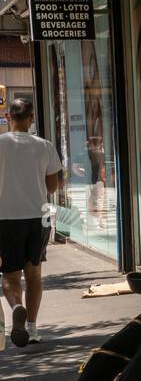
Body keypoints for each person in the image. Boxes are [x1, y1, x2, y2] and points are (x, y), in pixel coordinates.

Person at [0, 97, 62, 347]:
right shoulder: (44, 146)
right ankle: (33, 328)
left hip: (5, 219)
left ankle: (16, 306)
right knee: (34, 274)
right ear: (31, 119)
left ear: (8, 118)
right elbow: (52, 186)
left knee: (10, 276)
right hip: (38, 218)